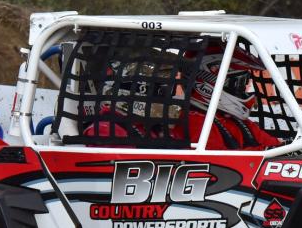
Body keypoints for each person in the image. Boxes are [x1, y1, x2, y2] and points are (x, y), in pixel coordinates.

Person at [82, 42, 280, 150]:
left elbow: (273, 147)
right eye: (163, 89)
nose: (172, 95)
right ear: (136, 89)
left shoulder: (148, 126)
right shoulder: (106, 128)